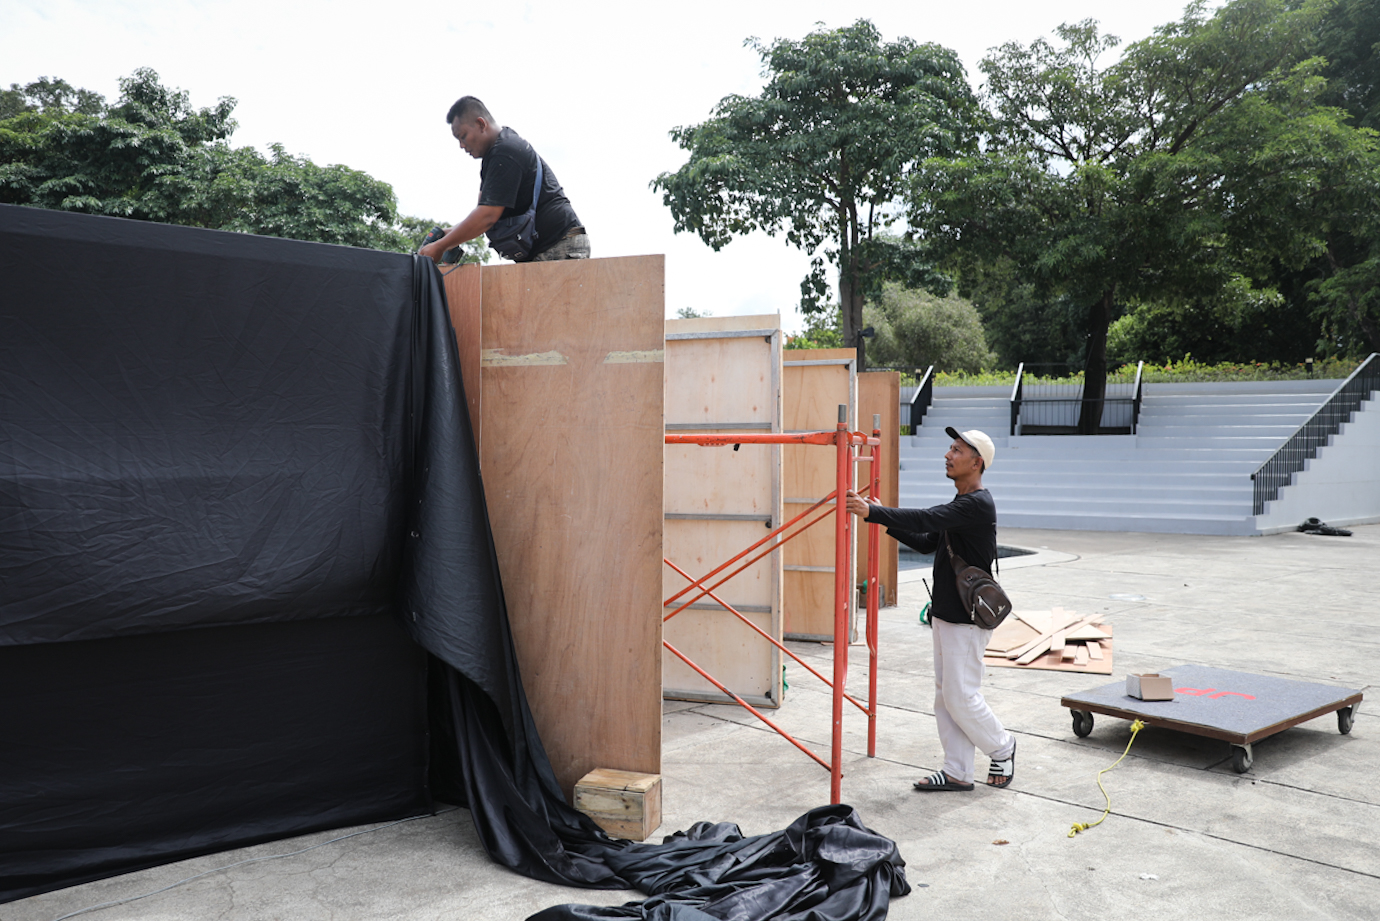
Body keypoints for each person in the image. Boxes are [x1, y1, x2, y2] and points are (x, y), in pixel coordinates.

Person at [845, 426, 1016, 791]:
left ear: (977, 463)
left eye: (957, 450)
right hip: (946, 614)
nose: (948, 455)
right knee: (946, 697)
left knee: (961, 696)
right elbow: (926, 541)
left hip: (966, 620)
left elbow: (926, 518)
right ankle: (957, 771)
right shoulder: (961, 504)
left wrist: (875, 512)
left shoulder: (976, 504)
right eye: (950, 448)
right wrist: (878, 517)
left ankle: (1002, 747)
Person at [418, 96, 588, 264]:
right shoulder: (494, 156)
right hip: (546, 247)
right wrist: (449, 234)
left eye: (463, 136)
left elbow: (487, 216)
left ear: (481, 124)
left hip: (559, 243)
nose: (461, 145)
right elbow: (482, 212)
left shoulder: (506, 152)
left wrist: (440, 246)